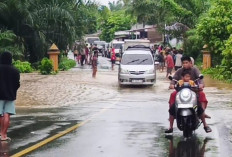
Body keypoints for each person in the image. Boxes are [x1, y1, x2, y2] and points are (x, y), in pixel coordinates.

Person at [165, 56, 212, 133]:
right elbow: (173, 80)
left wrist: (201, 84)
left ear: (191, 63)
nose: (185, 64)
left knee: (202, 94)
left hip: (194, 91)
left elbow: (200, 80)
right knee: (173, 95)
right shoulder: (179, 71)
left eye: (186, 63)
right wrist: (172, 85)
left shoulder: (195, 70)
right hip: (181, 91)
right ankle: (170, 126)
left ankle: (204, 123)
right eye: (183, 63)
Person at [0, 52, 20, 141]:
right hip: (10, 95)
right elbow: (17, 84)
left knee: (0, 114)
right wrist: (12, 90)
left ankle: (0, 133)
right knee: (7, 114)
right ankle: (4, 135)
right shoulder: (15, 70)